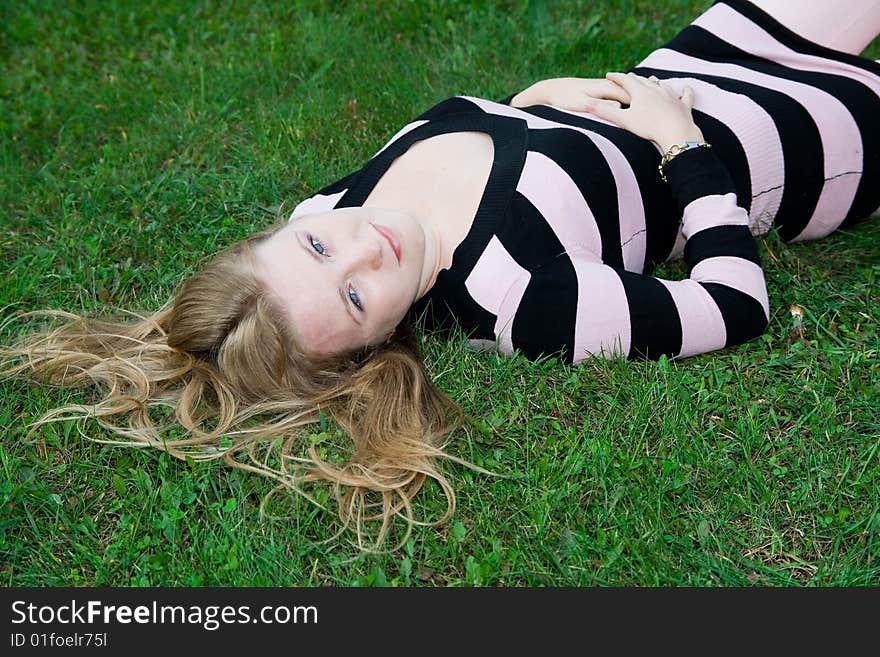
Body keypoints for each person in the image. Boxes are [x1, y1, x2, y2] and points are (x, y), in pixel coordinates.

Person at [3, 0, 879, 549]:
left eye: (315, 249)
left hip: (688, 63)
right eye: (354, 296)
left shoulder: (328, 204)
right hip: (791, 142)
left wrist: (539, 98)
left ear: (282, 229)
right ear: (372, 344)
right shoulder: (522, 298)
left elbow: (492, 132)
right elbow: (736, 303)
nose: (364, 247)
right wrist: (679, 142)